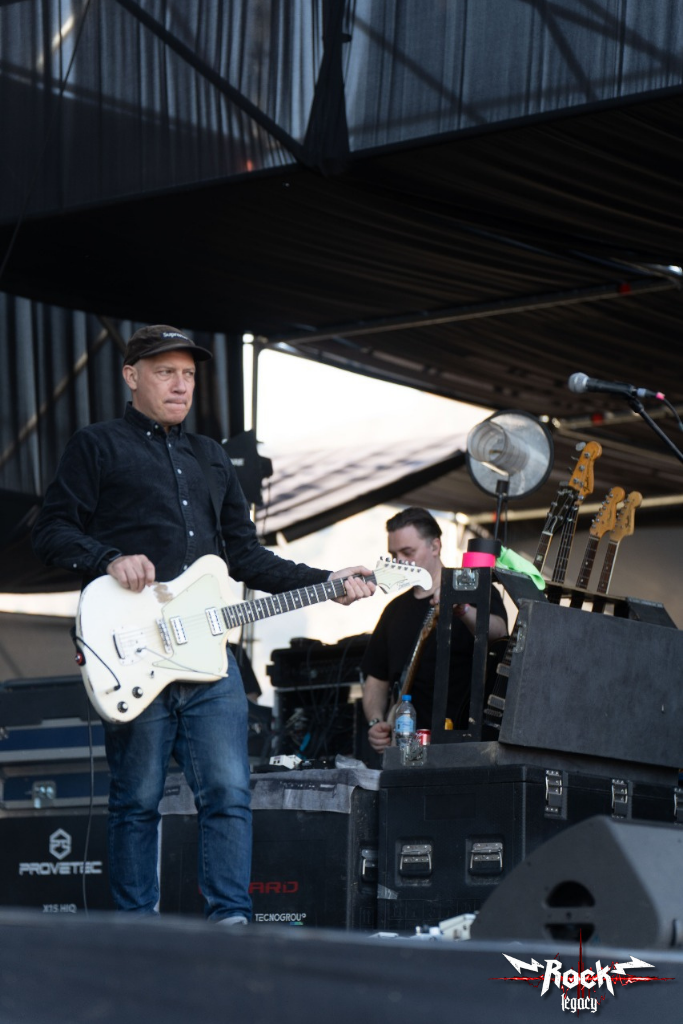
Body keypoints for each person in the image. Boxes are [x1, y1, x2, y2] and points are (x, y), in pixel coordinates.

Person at [32, 324, 375, 924]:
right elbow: (50, 530)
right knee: (137, 799)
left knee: (229, 792)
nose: (180, 384)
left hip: (209, 655)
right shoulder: (98, 445)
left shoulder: (211, 456)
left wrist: (326, 580)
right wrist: (108, 558)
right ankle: (137, 929)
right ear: (131, 376)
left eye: (188, 374)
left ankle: (230, 922)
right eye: (166, 372)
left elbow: (246, 556)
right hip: (134, 652)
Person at [361, 507, 507, 753]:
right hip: (406, 747)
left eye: (408, 552)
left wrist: (462, 609)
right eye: (393, 554)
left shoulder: (473, 590)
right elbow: (376, 678)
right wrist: (376, 723)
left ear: (435, 546)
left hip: (462, 744)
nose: (399, 561)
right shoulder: (394, 610)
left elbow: (499, 633)